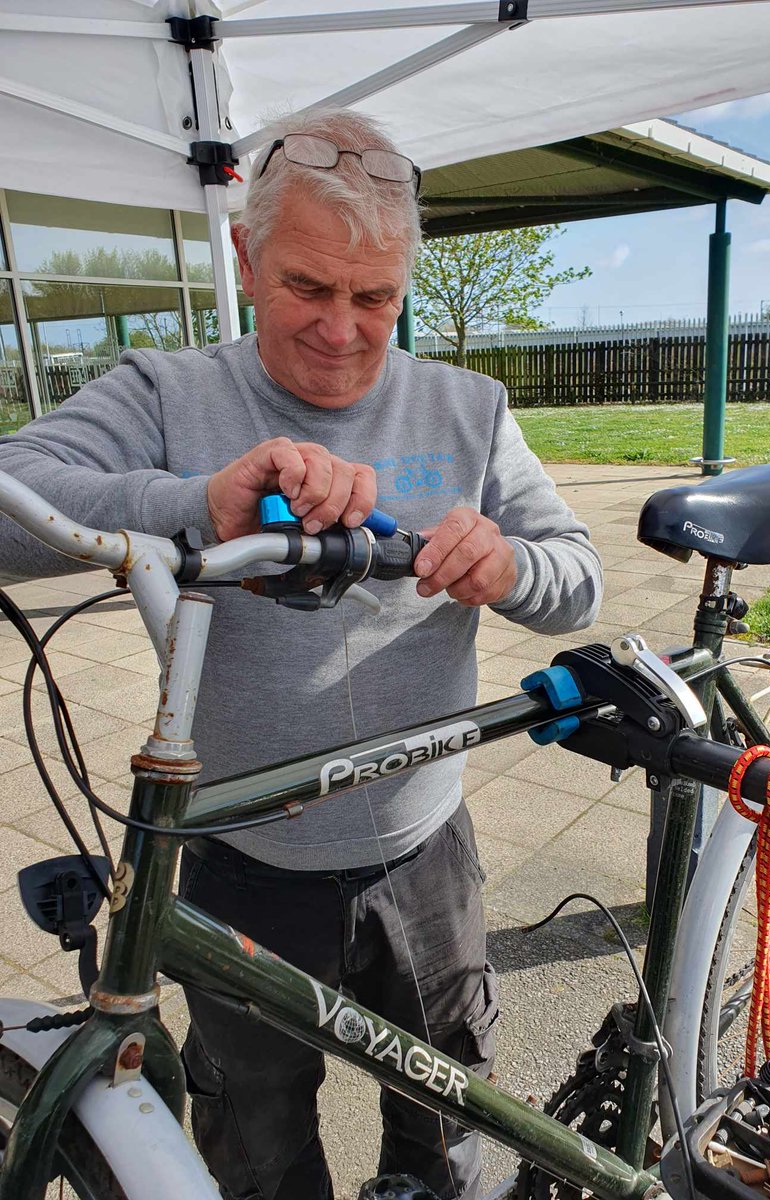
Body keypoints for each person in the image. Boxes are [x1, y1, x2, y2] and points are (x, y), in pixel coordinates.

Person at [0, 108, 602, 1200]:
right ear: (242, 255)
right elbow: (11, 502)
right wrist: (192, 506)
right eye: (307, 289)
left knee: (450, 1110)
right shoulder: (166, 394)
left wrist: (510, 567)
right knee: (257, 1140)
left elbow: (580, 578)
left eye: (375, 297)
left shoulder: (469, 407)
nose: (344, 328)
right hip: (243, 861)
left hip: (426, 849)